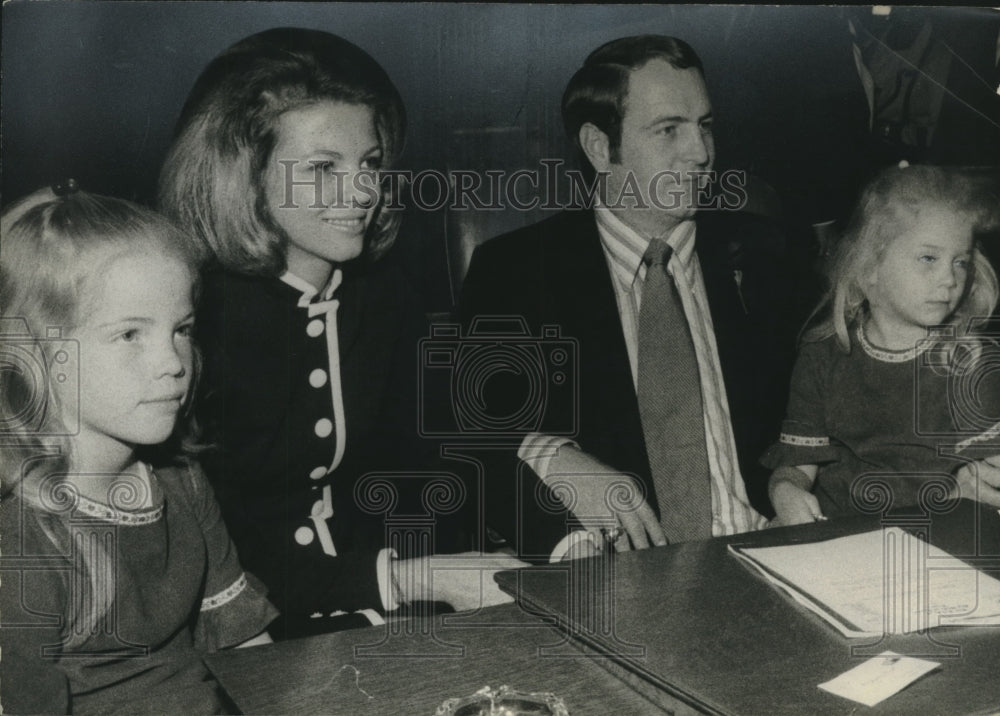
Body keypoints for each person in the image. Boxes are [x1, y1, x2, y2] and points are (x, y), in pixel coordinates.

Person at [158, 28, 524, 639]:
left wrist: (558, 507)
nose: (363, 192)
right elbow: (209, 568)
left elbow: (442, 445)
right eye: (324, 167)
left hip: (383, 614)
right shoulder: (191, 323)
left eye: (371, 163)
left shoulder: (382, 293)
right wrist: (409, 579)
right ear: (243, 175)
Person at [458, 35, 800, 560]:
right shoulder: (519, 271)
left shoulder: (764, 254)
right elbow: (464, 434)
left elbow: (835, 402)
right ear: (599, 147)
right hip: (617, 577)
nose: (701, 153)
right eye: (669, 130)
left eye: (704, 126)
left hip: (770, 550)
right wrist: (548, 454)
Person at [0, 186, 277, 714]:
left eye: (182, 330)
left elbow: (250, 654)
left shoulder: (181, 479)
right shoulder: (20, 537)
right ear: (34, 354)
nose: (173, 362)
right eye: (130, 334)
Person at [764, 163, 1000, 524]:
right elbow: (798, 462)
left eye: (960, 261)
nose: (950, 279)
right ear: (869, 266)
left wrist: (971, 488)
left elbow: (988, 479)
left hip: (936, 532)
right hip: (839, 536)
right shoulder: (823, 354)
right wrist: (786, 491)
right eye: (928, 258)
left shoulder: (969, 361)